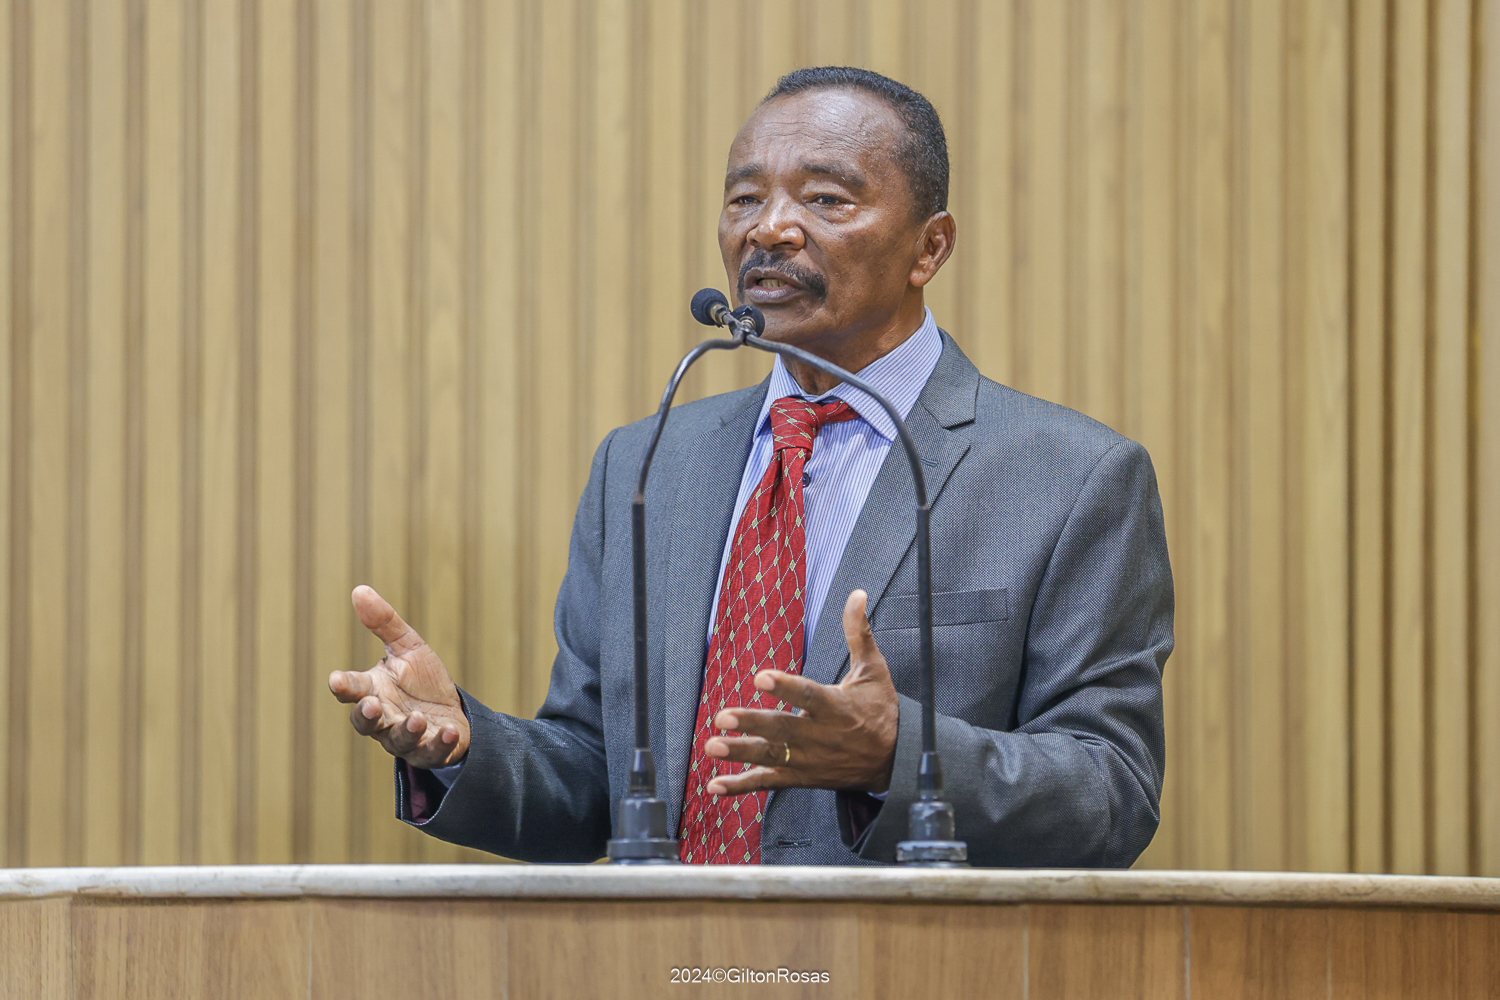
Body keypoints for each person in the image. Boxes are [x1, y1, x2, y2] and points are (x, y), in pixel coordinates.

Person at [327, 66, 1172, 867]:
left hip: (895, 953)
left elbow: (1114, 791)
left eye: (825, 198)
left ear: (930, 248)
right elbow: (596, 775)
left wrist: (900, 757)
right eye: (744, 198)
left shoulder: (1072, 478)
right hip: (667, 950)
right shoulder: (646, 465)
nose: (768, 229)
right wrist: (466, 745)